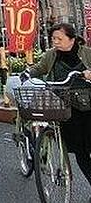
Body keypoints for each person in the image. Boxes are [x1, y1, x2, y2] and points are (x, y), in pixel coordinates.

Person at [22, 23, 91, 190]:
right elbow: (40, 68)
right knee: (80, 152)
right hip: (64, 108)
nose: (55, 42)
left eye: (59, 38)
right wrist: (27, 73)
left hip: (88, 107)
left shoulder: (87, 53)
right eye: (53, 38)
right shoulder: (51, 55)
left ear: (72, 39)